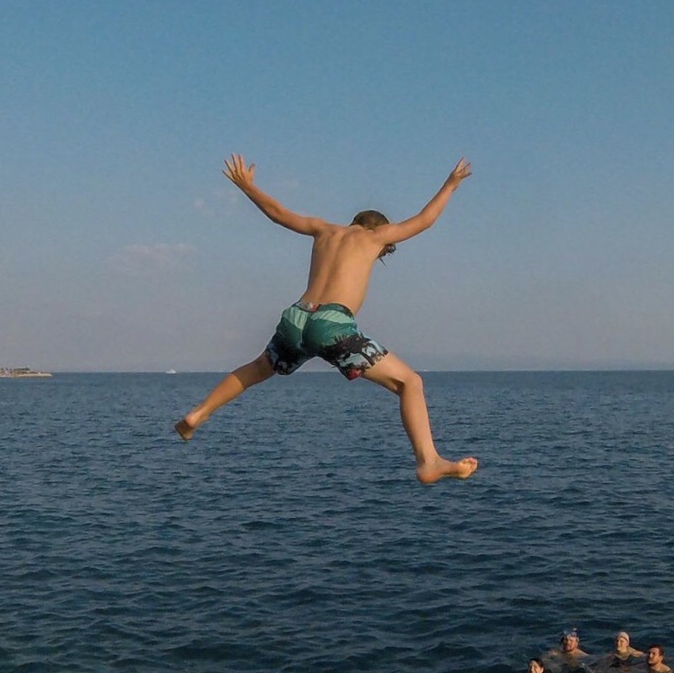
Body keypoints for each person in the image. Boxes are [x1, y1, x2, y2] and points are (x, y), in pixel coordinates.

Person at [174, 154, 479, 484]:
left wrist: (248, 186)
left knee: (258, 368)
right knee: (410, 383)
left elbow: (279, 215)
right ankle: (428, 461)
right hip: (332, 323)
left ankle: (198, 414)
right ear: (380, 231)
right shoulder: (375, 237)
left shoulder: (323, 230)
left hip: (297, 316)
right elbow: (424, 220)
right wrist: (450, 184)